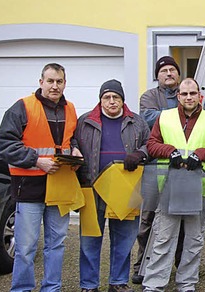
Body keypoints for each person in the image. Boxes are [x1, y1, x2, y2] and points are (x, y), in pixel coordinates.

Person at [0, 63, 82, 292]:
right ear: (41, 82)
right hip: (29, 188)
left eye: (59, 81)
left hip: (60, 186)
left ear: (65, 83)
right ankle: (22, 289)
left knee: (56, 245)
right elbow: (4, 145)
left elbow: (70, 138)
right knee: (25, 248)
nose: (55, 86)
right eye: (50, 81)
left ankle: (51, 288)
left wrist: (74, 149)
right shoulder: (22, 107)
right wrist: (36, 160)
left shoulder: (70, 109)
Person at [142, 77, 205, 292]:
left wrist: (200, 154)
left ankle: (187, 283)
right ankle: (154, 284)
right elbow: (152, 145)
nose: (189, 97)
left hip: (199, 187)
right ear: (178, 96)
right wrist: (170, 152)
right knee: (163, 238)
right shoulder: (165, 118)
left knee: (194, 240)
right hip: (170, 186)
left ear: (200, 95)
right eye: (184, 93)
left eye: (193, 93)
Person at [75, 80, 149, 292]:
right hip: (92, 186)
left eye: (116, 97)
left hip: (126, 186)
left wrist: (140, 153)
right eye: (107, 97)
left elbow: (149, 144)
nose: (111, 101)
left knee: (124, 239)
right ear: (100, 100)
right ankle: (89, 285)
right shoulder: (85, 121)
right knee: (89, 239)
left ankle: (118, 282)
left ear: (122, 100)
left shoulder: (137, 122)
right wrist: (72, 149)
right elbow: (72, 142)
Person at [133, 55, 181, 283]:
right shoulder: (149, 96)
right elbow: (149, 118)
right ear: (157, 76)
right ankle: (141, 264)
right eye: (164, 71)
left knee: (181, 216)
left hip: (182, 168)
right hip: (154, 166)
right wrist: (181, 114)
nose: (169, 73)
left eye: (172, 70)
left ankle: (180, 266)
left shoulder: (186, 93)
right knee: (148, 219)